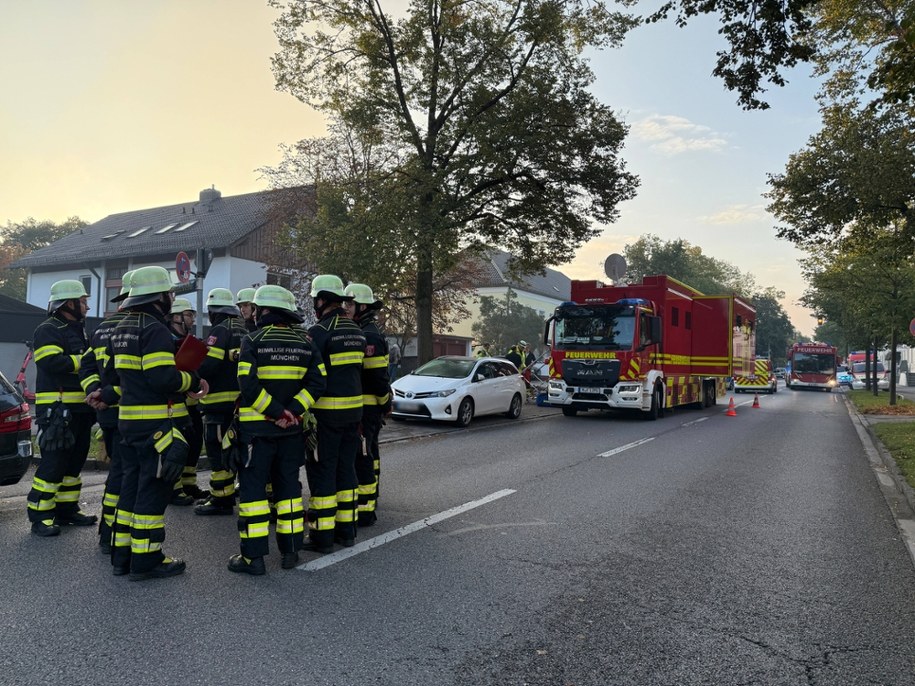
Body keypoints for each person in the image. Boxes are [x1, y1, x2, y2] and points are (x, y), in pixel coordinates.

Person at [103, 265, 207, 580]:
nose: (172, 297)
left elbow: (117, 376)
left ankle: (122, 556)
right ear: (159, 296)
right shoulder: (154, 329)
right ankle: (147, 559)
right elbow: (162, 377)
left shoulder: (121, 328)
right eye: (169, 292)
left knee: (130, 490)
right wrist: (192, 379)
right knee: (153, 489)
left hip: (129, 423)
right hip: (155, 425)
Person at [229, 285, 325, 575]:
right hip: (290, 433)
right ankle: (291, 552)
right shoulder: (306, 341)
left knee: (254, 495)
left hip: (256, 434)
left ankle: (253, 560)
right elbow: (318, 383)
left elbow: (247, 386)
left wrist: (274, 412)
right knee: (289, 492)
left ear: (263, 311)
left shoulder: (252, 341)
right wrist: (291, 412)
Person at [26, 280, 97, 536]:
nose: (87, 306)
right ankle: (40, 515)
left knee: (74, 462)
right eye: (83, 301)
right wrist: (87, 360)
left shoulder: (78, 329)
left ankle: (66, 510)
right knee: (54, 463)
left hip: (79, 408)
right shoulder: (48, 328)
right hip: (57, 409)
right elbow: (51, 361)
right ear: (69, 303)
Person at [303, 274, 365, 554]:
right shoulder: (356, 331)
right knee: (346, 470)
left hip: (326, 415)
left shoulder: (318, 333)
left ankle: (322, 536)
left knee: (323, 472)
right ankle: (347, 530)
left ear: (321, 300)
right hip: (354, 414)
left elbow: (311, 376)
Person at [80, 269, 134, 554]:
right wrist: (109, 395)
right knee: (128, 476)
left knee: (117, 473)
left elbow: (87, 366)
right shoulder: (138, 327)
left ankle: (108, 532)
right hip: (130, 413)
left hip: (108, 413)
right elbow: (139, 378)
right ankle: (119, 537)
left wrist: (95, 393)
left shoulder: (100, 328)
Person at [194, 287, 248, 517]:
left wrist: (192, 372)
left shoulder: (219, 330)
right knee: (235, 448)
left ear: (213, 310)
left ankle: (221, 499)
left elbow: (210, 365)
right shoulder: (243, 328)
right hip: (239, 402)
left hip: (218, 404)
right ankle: (228, 492)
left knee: (217, 451)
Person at [344, 283, 391, 527]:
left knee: (363, 455)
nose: (346, 307)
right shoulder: (361, 329)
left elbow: (377, 376)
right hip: (364, 406)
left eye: (350, 304)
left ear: (362, 307)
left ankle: (365, 508)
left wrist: (385, 401)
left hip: (367, 406)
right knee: (368, 453)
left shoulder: (369, 334)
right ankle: (370, 497)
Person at [166, 297, 207, 505]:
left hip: (191, 405)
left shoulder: (187, 340)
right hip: (173, 405)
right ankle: (174, 489)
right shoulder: (166, 339)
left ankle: (189, 484)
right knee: (177, 447)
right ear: (176, 317)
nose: (192, 319)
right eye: (189, 315)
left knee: (193, 445)